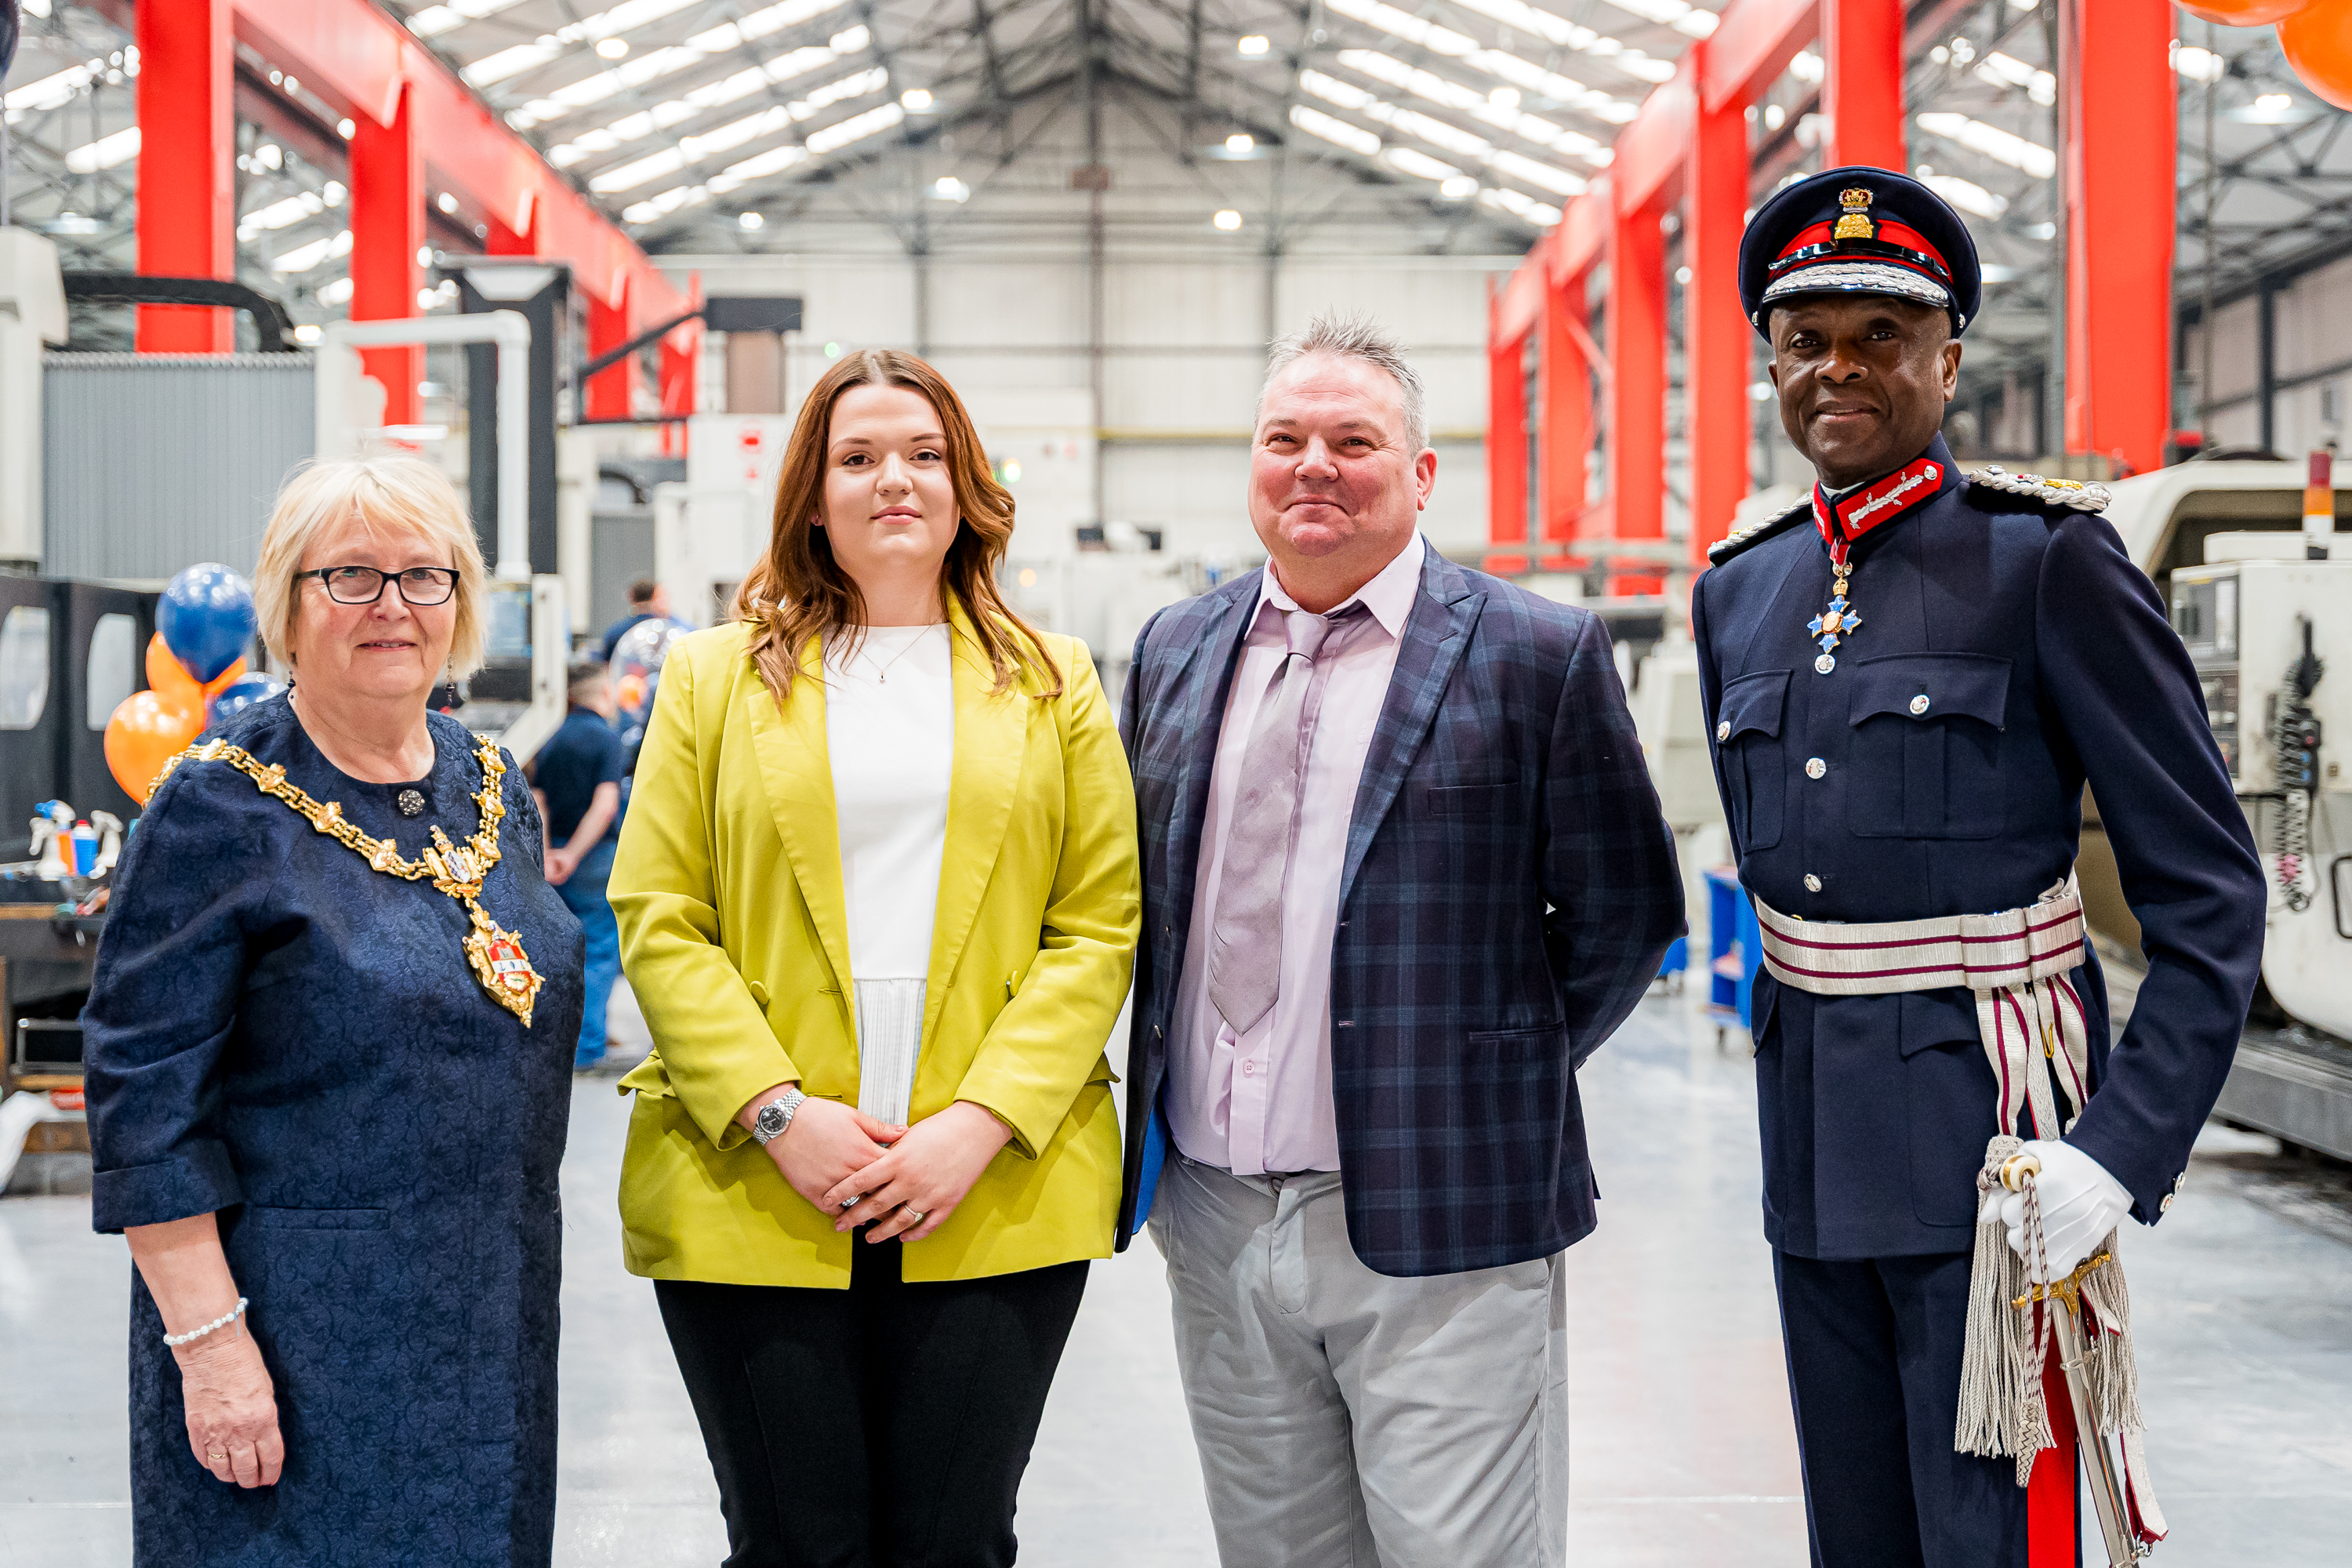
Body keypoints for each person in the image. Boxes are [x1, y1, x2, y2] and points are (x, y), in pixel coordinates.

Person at [1693, 169, 2267, 1566]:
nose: (1840, 365)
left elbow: (2209, 896)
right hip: (1811, 1152)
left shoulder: (2047, 560)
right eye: (1806, 335)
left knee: (2003, 1541)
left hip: (1999, 1150)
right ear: (1771, 360)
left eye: (1881, 334)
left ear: (1947, 358)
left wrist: (2120, 1153)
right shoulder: (1738, 588)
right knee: (1861, 1535)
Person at [1116, 313, 1684, 1566]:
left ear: (1421, 475)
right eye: (1285, 438)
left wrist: (1479, 1073)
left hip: (1445, 1221)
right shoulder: (1177, 648)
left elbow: (1625, 912)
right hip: (1213, 1217)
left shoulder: (1535, 653)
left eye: (1353, 440)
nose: (1314, 464)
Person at [610, 347, 1139, 1566]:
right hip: (756, 1175)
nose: (892, 479)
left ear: (966, 489)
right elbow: (659, 911)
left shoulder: (1055, 682)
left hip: (995, 1180)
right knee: (797, 1540)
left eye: (923, 455)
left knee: (954, 1538)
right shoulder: (709, 678)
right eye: (857, 458)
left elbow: (1097, 925)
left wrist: (981, 1120)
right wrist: (782, 1113)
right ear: (812, 494)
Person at [81, 454, 583, 1566]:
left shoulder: (494, 786)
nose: (393, 605)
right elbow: (143, 1102)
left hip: (488, 1325)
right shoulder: (215, 806)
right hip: (289, 1341)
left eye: (425, 575)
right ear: (288, 606)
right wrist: (210, 1352)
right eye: (350, 575)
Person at [532, 660, 626, 1071]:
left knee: (553, 950)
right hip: (593, 859)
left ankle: (555, 1041)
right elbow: (605, 805)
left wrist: (549, 851)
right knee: (599, 951)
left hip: (550, 855)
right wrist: (574, 855)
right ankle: (585, 1050)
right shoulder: (607, 739)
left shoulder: (545, 735)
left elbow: (536, 800)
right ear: (603, 694)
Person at [599, 577, 673, 663]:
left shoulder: (615, 632)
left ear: (631, 595)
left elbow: (607, 664)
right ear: (654, 596)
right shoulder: (665, 631)